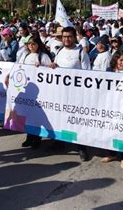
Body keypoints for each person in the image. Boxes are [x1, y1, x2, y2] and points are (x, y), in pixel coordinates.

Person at [50, 27, 91, 161]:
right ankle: (60, 141)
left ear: (74, 37)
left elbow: (88, 73)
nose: (66, 39)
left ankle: (82, 147)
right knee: (61, 117)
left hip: (77, 95)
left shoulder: (81, 52)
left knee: (78, 120)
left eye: (69, 36)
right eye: (64, 36)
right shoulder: (60, 51)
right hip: (61, 93)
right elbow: (56, 67)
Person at [18, 35, 52, 149]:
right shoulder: (26, 55)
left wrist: (42, 67)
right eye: (29, 44)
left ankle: (37, 138)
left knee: (37, 115)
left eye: (33, 44)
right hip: (28, 88)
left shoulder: (43, 56)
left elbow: (50, 72)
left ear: (38, 44)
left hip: (40, 90)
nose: (31, 46)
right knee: (28, 115)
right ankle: (29, 136)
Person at [101, 51, 123, 170]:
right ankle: (111, 154)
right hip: (111, 106)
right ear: (115, 60)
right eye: (120, 60)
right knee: (110, 130)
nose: (122, 63)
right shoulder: (109, 71)